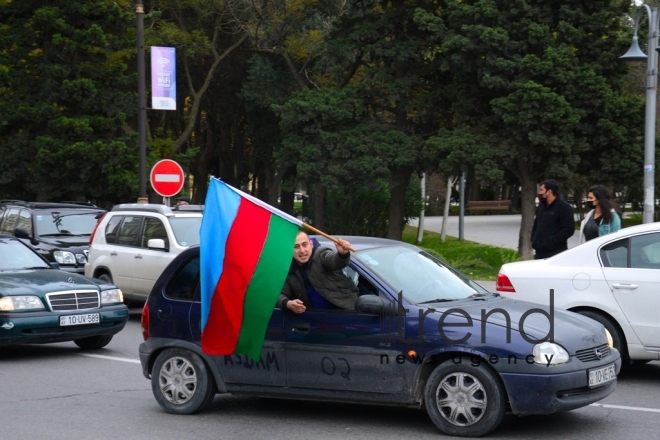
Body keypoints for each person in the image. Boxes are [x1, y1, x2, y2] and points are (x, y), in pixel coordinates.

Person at [277, 231, 358, 314]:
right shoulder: (289, 269)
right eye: (296, 247)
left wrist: (343, 254)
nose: (302, 250)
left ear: (311, 244)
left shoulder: (321, 254)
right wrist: (288, 304)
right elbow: (279, 295)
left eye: (305, 244)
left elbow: (334, 261)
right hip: (316, 319)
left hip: (346, 313)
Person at [530, 179, 575, 259]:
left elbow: (568, 229)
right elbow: (536, 225)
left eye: (541, 190)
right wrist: (533, 239)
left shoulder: (564, 207)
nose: (539, 193)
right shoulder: (542, 207)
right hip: (539, 252)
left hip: (556, 253)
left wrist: (551, 241)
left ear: (549, 191)